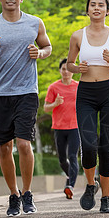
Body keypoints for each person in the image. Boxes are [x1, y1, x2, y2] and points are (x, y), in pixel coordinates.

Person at [0, 0, 52, 217]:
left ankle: (27, 193)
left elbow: (48, 47)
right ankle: (13, 195)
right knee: (4, 147)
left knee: (23, 143)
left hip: (27, 91)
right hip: (0, 93)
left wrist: (39, 53)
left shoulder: (35, 23)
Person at [67, 0, 109, 213]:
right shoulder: (77, 36)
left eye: (100, 5)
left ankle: (106, 199)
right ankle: (90, 184)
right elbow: (69, 65)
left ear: (107, 10)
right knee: (89, 144)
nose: (96, 8)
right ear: (87, 10)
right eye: (92, 5)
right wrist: (77, 68)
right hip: (85, 94)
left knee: (106, 146)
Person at [44, 59, 79, 199]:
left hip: (75, 127)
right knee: (62, 160)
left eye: (68, 69)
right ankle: (70, 178)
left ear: (73, 71)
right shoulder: (53, 87)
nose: (66, 72)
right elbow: (46, 108)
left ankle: (70, 186)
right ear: (60, 71)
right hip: (59, 127)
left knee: (72, 156)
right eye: (63, 69)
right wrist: (55, 103)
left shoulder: (79, 86)